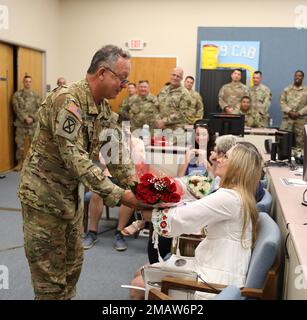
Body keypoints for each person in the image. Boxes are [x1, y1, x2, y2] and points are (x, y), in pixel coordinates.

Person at [18, 45, 141, 300]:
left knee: (72, 269)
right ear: (102, 73)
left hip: (70, 200)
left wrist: (140, 189)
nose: (124, 85)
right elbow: (74, 158)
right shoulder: (68, 101)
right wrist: (120, 195)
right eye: (122, 78)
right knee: (50, 283)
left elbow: (116, 156)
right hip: (44, 201)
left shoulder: (103, 109)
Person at [130, 142, 263, 300]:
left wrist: (146, 213)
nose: (219, 159)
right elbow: (191, 195)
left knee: (137, 285)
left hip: (216, 283)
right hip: (219, 270)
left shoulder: (229, 198)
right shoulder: (238, 195)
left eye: (225, 156)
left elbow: (181, 218)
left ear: (237, 166)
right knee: (141, 272)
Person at [12, 75, 41, 171]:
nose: (28, 83)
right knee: (19, 145)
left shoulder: (36, 95)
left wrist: (32, 118)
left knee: (34, 145)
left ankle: (33, 164)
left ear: (31, 83)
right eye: (26, 81)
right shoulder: (17, 95)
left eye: (29, 81)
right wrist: (25, 118)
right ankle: (20, 163)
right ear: (23, 83)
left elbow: (40, 109)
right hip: (21, 124)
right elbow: (16, 108)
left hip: (33, 125)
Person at [156, 67, 192, 132]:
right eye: (174, 75)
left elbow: (182, 113)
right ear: (170, 75)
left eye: (178, 76)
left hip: (175, 130)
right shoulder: (163, 90)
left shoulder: (185, 93)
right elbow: (156, 106)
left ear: (181, 78)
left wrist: (164, 122)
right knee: (156, 142)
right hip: (160, 128)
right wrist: (158, 121)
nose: (175, 78)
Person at [280, 70, 307, 150]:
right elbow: (282, 102)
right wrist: (289, 111)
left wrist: (299, 113)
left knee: (301, 143)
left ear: (303, 77)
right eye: (296, 76)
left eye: (299, 76)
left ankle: (299, 160)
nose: (297, 77)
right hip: (287, 120)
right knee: (283, 142)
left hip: (300, 121)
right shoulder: (287, 89)